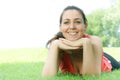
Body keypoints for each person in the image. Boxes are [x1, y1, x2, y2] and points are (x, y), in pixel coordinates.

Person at [42, 5, 120, 77]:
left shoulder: (94, 41)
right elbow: (47, 76)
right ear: (60, 27)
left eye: (77, 22)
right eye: (66, 22)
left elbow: (91, 76)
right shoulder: (57, 44)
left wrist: (86, 43)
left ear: (85, 26)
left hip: (104, 59)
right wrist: (55, 45)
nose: (72, 27)